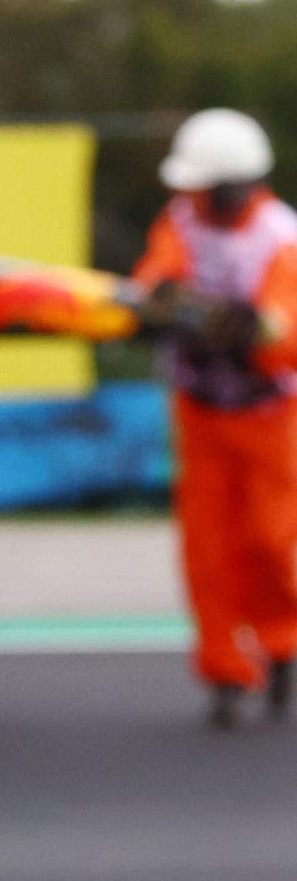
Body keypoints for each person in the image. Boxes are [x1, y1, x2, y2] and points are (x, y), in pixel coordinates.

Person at [134, 107, 297, 729]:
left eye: (201, 188)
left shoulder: (281, 236)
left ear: (234, 185)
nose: (190, 198)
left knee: (267, 539)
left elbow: (284, 327)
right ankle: (225, 669)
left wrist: (252, 329)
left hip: (265, 415)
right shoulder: (182, 220)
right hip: (199, 410)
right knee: (207, 548)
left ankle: (282, 643)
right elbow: (157, 274)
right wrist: (162, 296)